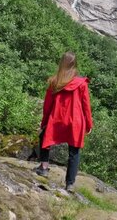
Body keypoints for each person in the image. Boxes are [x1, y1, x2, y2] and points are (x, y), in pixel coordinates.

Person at [35, 52, 93, 192]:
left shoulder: (55, 81)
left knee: (44, 138)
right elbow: (86, 106)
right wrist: (89, 124)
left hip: (57, 118)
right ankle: (70, 184)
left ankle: (43, 167)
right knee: (74, 152)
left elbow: (47, 105)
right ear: (74, 65)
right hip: (76, 121)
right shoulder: (81, 83)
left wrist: (44, 122)